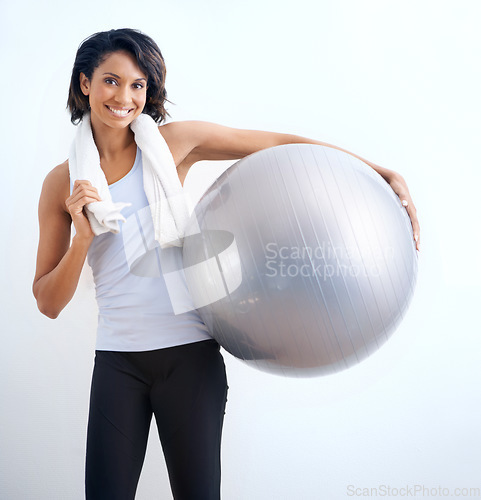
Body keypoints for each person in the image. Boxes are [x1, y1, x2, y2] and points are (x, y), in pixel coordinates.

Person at [32, 28, 420, 500]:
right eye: (111, 81)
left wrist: (377, 171)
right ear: (85, 83)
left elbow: (279, 144)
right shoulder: (62, 184)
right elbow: (48, 302)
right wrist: (83, 240)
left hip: (190, 359)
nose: (125, 97)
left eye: (138, 85)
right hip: (118, 363)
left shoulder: (174, 143)